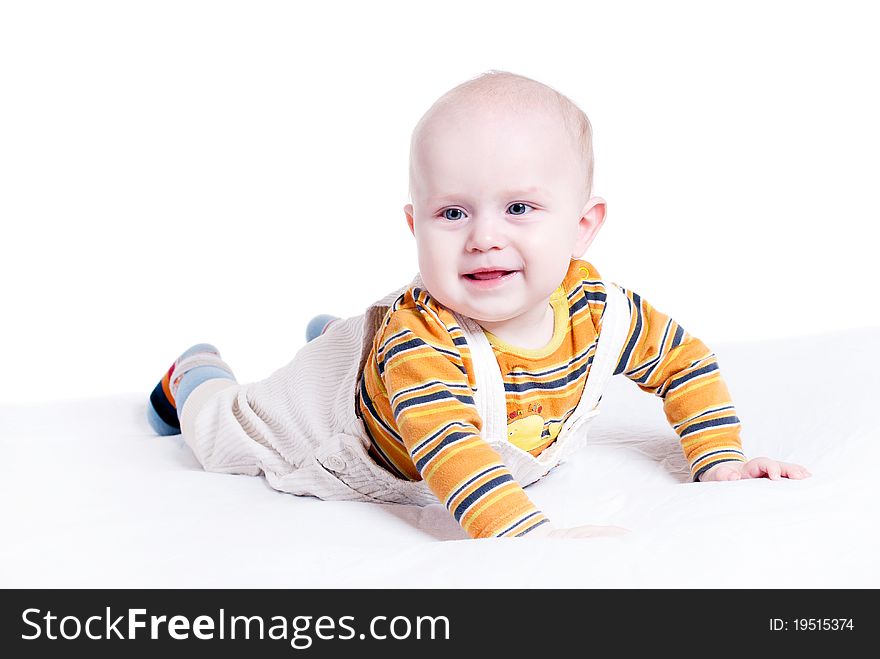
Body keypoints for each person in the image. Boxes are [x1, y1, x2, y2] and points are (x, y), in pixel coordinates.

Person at [147, 70, 810, 540]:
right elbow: (450, 448)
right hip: (355, 434)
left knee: (380, 351)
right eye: (453, 211)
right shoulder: (421, 343)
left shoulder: (602, 312)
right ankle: (197, 373)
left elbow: (684, 363)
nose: (484, 235)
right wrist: (524, 534)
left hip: (394, 374)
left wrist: (718, 456)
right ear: (416, 226)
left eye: (519, 207)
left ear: (583, 225)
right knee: (220, 438)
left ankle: (344, 339)